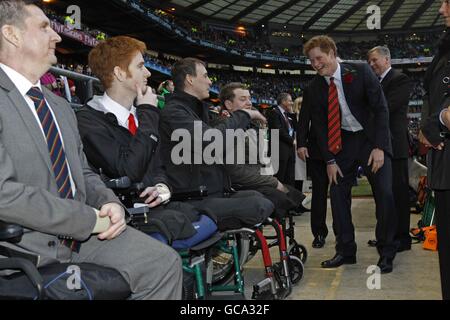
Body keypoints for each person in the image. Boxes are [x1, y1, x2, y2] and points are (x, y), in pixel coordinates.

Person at [0, 1, 182, 300]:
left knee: (163, 263)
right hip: (23, 242)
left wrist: (108, 202)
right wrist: (86, 219)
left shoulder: (58, 105)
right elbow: (4, 193)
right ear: (12, 35)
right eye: (45, 27)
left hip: (82, 234)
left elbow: (82, 171)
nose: (57, 35)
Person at [76, 35, 203, 242]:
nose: (148, 72)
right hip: (125, 214)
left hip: (156, 209)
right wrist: (147, 113)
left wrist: (162, 188)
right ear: (119, 73)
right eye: (141, 66)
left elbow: (160, 167)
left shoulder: (142, 115)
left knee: (200, 215)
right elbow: (128, 170)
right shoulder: (88, 120)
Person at [304, 35, 397, 273]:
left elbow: (381, 108)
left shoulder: (360, 71)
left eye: (319, 58)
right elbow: (321, 129)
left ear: (332, 53)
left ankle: (387, 252)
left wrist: (379, 147)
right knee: (336, 193)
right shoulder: (314, 87)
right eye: (311, 60)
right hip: (342, 143)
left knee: (385, 193)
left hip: (370, 140)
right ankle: (346, 251)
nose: (315, 64)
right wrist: (330, 160)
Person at [159, 58, 274, 231]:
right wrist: (244, 115)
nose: (210, 81)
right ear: (190, 79)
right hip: (191, 196)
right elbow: (212, 141)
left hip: (211, 190)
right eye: (205, 76)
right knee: (259, 203)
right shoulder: (175, 111)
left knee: (259, 196)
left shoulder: (198, 110)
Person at [212, 82, 306, 219]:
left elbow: (258, 162)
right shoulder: (223, 127)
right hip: (238, 185)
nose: (249, 103)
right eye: (243, 99)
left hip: (253, 179)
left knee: (291, 193)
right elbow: (236, 171)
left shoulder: (250, 125)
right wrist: (272, 182)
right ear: (229, 104)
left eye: (249, 98)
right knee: (283, 196)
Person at [419, 0, 450, 300]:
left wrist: (438, 120)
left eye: (448, 3)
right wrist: (428, 125)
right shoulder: (443, 50)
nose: (441, 10)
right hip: (443, 167)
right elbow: (432, 94)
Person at [367, 46, 413, 252]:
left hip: (396, 147)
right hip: (379, 147)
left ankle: (402, 238)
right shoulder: (375, 82)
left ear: (387, 59)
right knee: (382, 195)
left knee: (398, 194)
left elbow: (386, 107)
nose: (371, 64)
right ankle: (386, 235)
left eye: (374, 60)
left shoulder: (399, 79)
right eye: (369, 61)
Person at [297, 87, 329, 249]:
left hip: (344, 147)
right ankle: (319, 233)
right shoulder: (312, 89)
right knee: (319, 192)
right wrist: (301, 143)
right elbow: (304, 118)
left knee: (342, 193)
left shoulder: (349, 82)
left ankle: (343, 232)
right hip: (317, 149)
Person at [268, 93, 296, 187]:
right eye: (290, 100)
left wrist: (292, 113)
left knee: (289, 178)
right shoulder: (274, 112)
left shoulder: (287, 114)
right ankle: (278, 200)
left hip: (289, 150)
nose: (291, 103)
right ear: (283, 101)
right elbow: (278, 130)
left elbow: (295, 127)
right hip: (279, 151)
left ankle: (288, 199)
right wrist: (292, 141)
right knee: (280, 178)